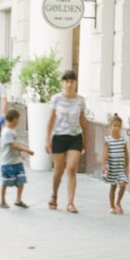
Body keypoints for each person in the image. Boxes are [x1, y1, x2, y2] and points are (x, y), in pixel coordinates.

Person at [46, 70, 88, 213]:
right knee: (59, 169)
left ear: (76, 83)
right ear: (62, 83)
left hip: (75, 137)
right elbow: (51, 120)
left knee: (71, 168)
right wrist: (47, 140)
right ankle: (54, 195)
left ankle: (70, 202)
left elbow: (83, 121)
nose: (69, 84)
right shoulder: (56, 99)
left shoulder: (80, 100)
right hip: (58, 137)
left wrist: (86, 140)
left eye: (72, 81)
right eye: (66, 81)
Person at [0, 109, 34, 209]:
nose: (18, 122)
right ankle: (2, 200)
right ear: (14, 120)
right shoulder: (6, 132)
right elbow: (13, 145)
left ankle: (18, 199)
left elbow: (15, 146)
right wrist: (27, 150)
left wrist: (19, 154)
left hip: (16, 161)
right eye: (18, 120)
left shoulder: (12, 130)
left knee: (21, 179)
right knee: (6, 181)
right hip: (8, 162)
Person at [102, 113, 130, 214]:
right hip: (112, 167)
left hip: (121, 167)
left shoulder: (123, 140)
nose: (116, 128)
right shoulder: (108, 140)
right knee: (113, 186)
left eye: (119, 126)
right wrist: (104, 165)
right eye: (114, 125)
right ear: (110, 127)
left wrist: (127, 166)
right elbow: (105, 154)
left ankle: (118, 202)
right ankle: (112, 205)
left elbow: (127, 154)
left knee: (123, 184)